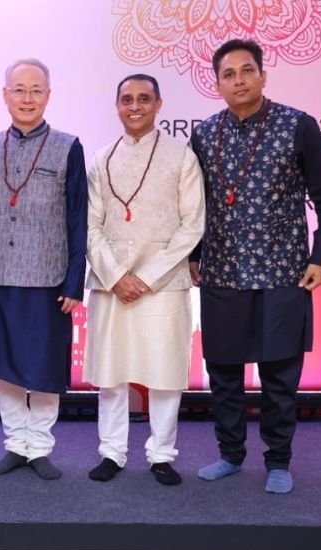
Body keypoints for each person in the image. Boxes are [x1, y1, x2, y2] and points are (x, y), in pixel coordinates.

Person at [189, 39, 321, 494]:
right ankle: (230, 455)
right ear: (217, 83)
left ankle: (278, 461)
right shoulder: (204, 134)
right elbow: (194, 205)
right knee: (224, 374)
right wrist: (195, 256)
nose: (238, 80)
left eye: (247, 70)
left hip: (284, 272)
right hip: (222, 272)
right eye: (228, 74)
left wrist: (320, 257)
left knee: (280, 376)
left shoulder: (298, 126)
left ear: (263, 75)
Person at [84, 74, 205, 485]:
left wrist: (148, 277)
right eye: (127, 99)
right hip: (111, 283)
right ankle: (112, 452)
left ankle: (162, 455)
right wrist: (117, 276)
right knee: (111, 374)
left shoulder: (181, 156)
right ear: (117, 105)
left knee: (165, 374)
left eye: (144, 99)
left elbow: (192, 225)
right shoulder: (102, 158)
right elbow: (90, 226)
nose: (135, 106)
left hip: (164, 284)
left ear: (158, 105)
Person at [0, 58, 88, 480]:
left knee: (44, 366)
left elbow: (78, 217)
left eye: (36, 90)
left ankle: (39, 446)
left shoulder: (68, 146)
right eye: (19, 90)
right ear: (5, 95)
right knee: (5, 365)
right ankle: (15, 444)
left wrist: (74, 280)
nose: (27, 98)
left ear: (48, 96)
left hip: (48, 279)